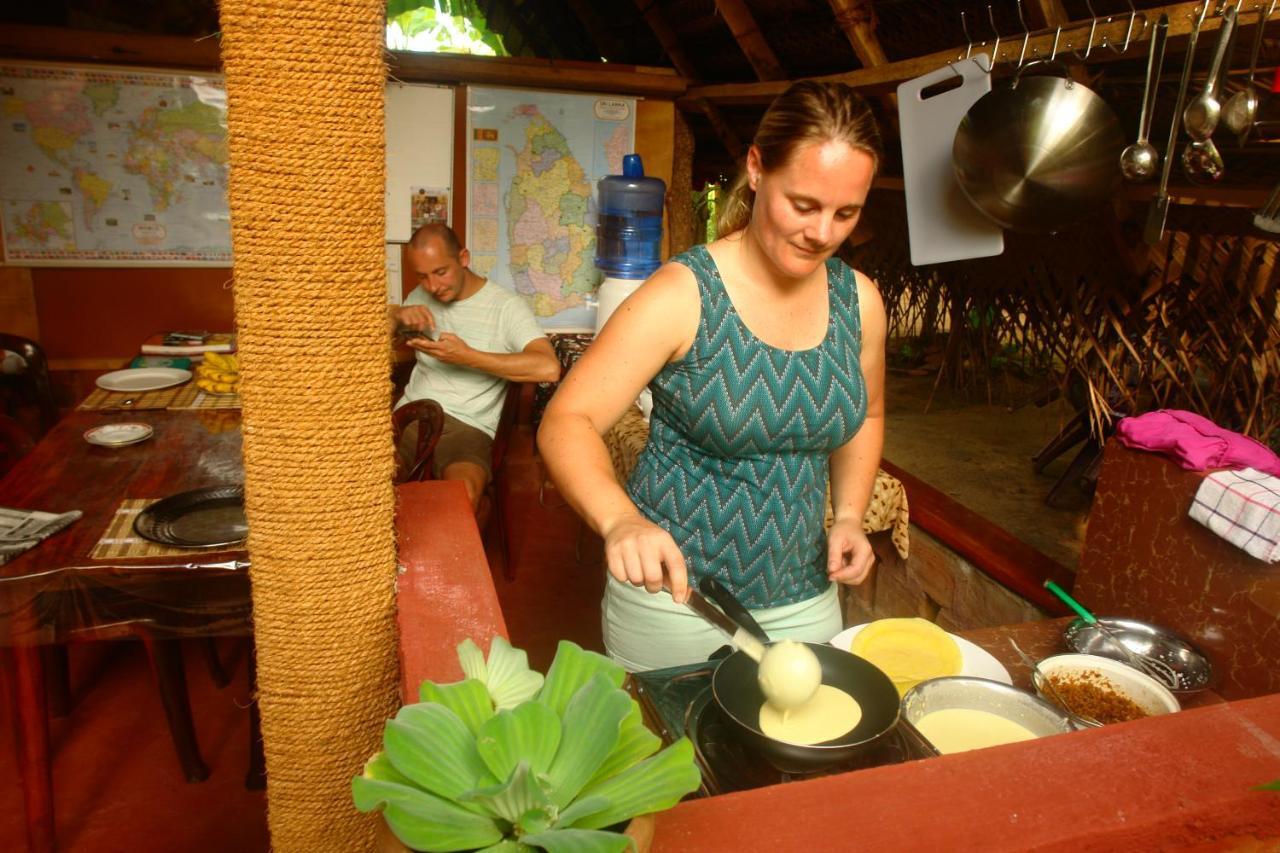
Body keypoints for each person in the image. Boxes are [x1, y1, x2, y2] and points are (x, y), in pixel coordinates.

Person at [537, 81, 887, 671]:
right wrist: (621, 521)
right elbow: (567, 420)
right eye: (803, 205)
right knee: (674, 762)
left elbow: (868, 414)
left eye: (845, 213)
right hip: (678, 600)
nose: (823, 232)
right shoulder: (683, 295)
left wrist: (849, 515)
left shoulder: (860, 301)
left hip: (807, 600)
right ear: (756, 169)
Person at [391, 223, 560, 514]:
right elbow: (365, 334)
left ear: (464, 258)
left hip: (468, 426)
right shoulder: (419, 295)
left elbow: (548, 368)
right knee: (365, 484)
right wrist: (395, 314)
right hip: (413, 414)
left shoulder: (506, 307)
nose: (432, 286)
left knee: (463, 498)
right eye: (422, 276)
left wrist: (467, 356)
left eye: (441, 272)